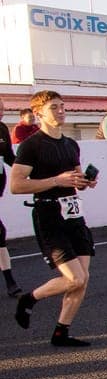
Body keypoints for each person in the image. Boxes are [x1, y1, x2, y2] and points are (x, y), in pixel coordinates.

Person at [9, 90, 99, 347]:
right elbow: (16, 185)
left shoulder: (70, 144)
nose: (61, 111)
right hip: (49, 216)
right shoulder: (31, 146)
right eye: (54, 107)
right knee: (75, 278)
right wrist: (56, 181)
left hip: (74, 215)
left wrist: (85, 182)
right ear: (38, 113)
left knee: (83, 279)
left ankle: (61, 332)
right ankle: (29, 299)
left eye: (62, 106)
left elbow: (76, 179)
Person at [0, 98, 23, 297]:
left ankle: (9, 281)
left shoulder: (2, 129)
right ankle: (10, 281)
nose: (2, 111)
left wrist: (28, 169)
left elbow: (9, 157)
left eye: (2, 108)